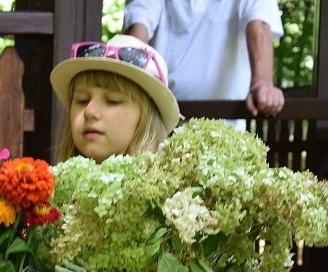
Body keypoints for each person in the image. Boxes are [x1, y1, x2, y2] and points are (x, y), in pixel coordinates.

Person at [124, 0, 285, 118]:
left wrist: (263, 83)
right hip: (162, 119)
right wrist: (129, 84)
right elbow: (139, 26)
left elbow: (260, 24)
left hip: (226, 125)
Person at [49, 33, 180, 164]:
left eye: (112, 101)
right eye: (82, 100)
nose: (89, 111)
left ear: (147, 118)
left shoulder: (177, 184)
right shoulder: (51, 182)